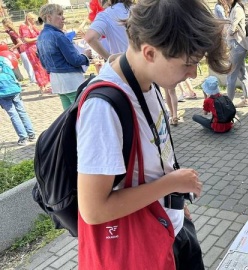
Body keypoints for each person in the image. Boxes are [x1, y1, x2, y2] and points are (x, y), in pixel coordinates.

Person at [76, 0, 230, 269]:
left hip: (172, 224)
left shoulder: (147, 82)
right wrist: (171, 184)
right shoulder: (103, 109)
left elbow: (155, 159)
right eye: (187, 64)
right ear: (149, 53)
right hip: (141, 246)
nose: (193, 73)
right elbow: (94, 210)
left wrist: (178, 203)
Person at [37, 4, 92, 110]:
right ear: (49, 17)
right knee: (81, 113)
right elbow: (74, 60)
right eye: (59, 14)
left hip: (56, 80)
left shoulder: (40, 37)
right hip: (71, 80)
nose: (63, 17)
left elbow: (43, 63)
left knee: (68, 116)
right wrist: (85, 56)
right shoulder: (58, 36)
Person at [0, 56, 35, 146]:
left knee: (13, 114)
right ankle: (31, 134)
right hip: (14, 88)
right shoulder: (4, 59)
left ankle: (23, 138)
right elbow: (13, 70)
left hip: (3, 93)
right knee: (22, 112)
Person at [226, 0, 248, 107]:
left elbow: (232, 29)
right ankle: (247, 99)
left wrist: (228, 31)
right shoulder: (234, 8)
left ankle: (228, 103)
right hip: (238, 45)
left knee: (231, 75)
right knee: (242, 72)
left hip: (237, 45)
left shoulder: (237, 9)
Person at [19, 12, 51, 95]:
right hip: (31, 49)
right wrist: (37, 38)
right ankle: (41, 86)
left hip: (38, 47)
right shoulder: (23, 26)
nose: (34, 21)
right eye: (33, 19)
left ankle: (45, 85)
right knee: (37, 67)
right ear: (29, 19)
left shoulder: (32, 26)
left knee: (43, 66)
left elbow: (40, 33)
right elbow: (26, 39)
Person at [2, 18, 36, 85]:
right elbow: (4, 31)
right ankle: (33, 79)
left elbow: (20, 42)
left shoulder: (12, 33)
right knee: (27, 65)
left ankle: (33, 80)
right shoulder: (11, 31)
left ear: (5, 24)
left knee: (27, 65)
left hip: (22, 50)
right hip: (22, 50)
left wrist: (13, 48)